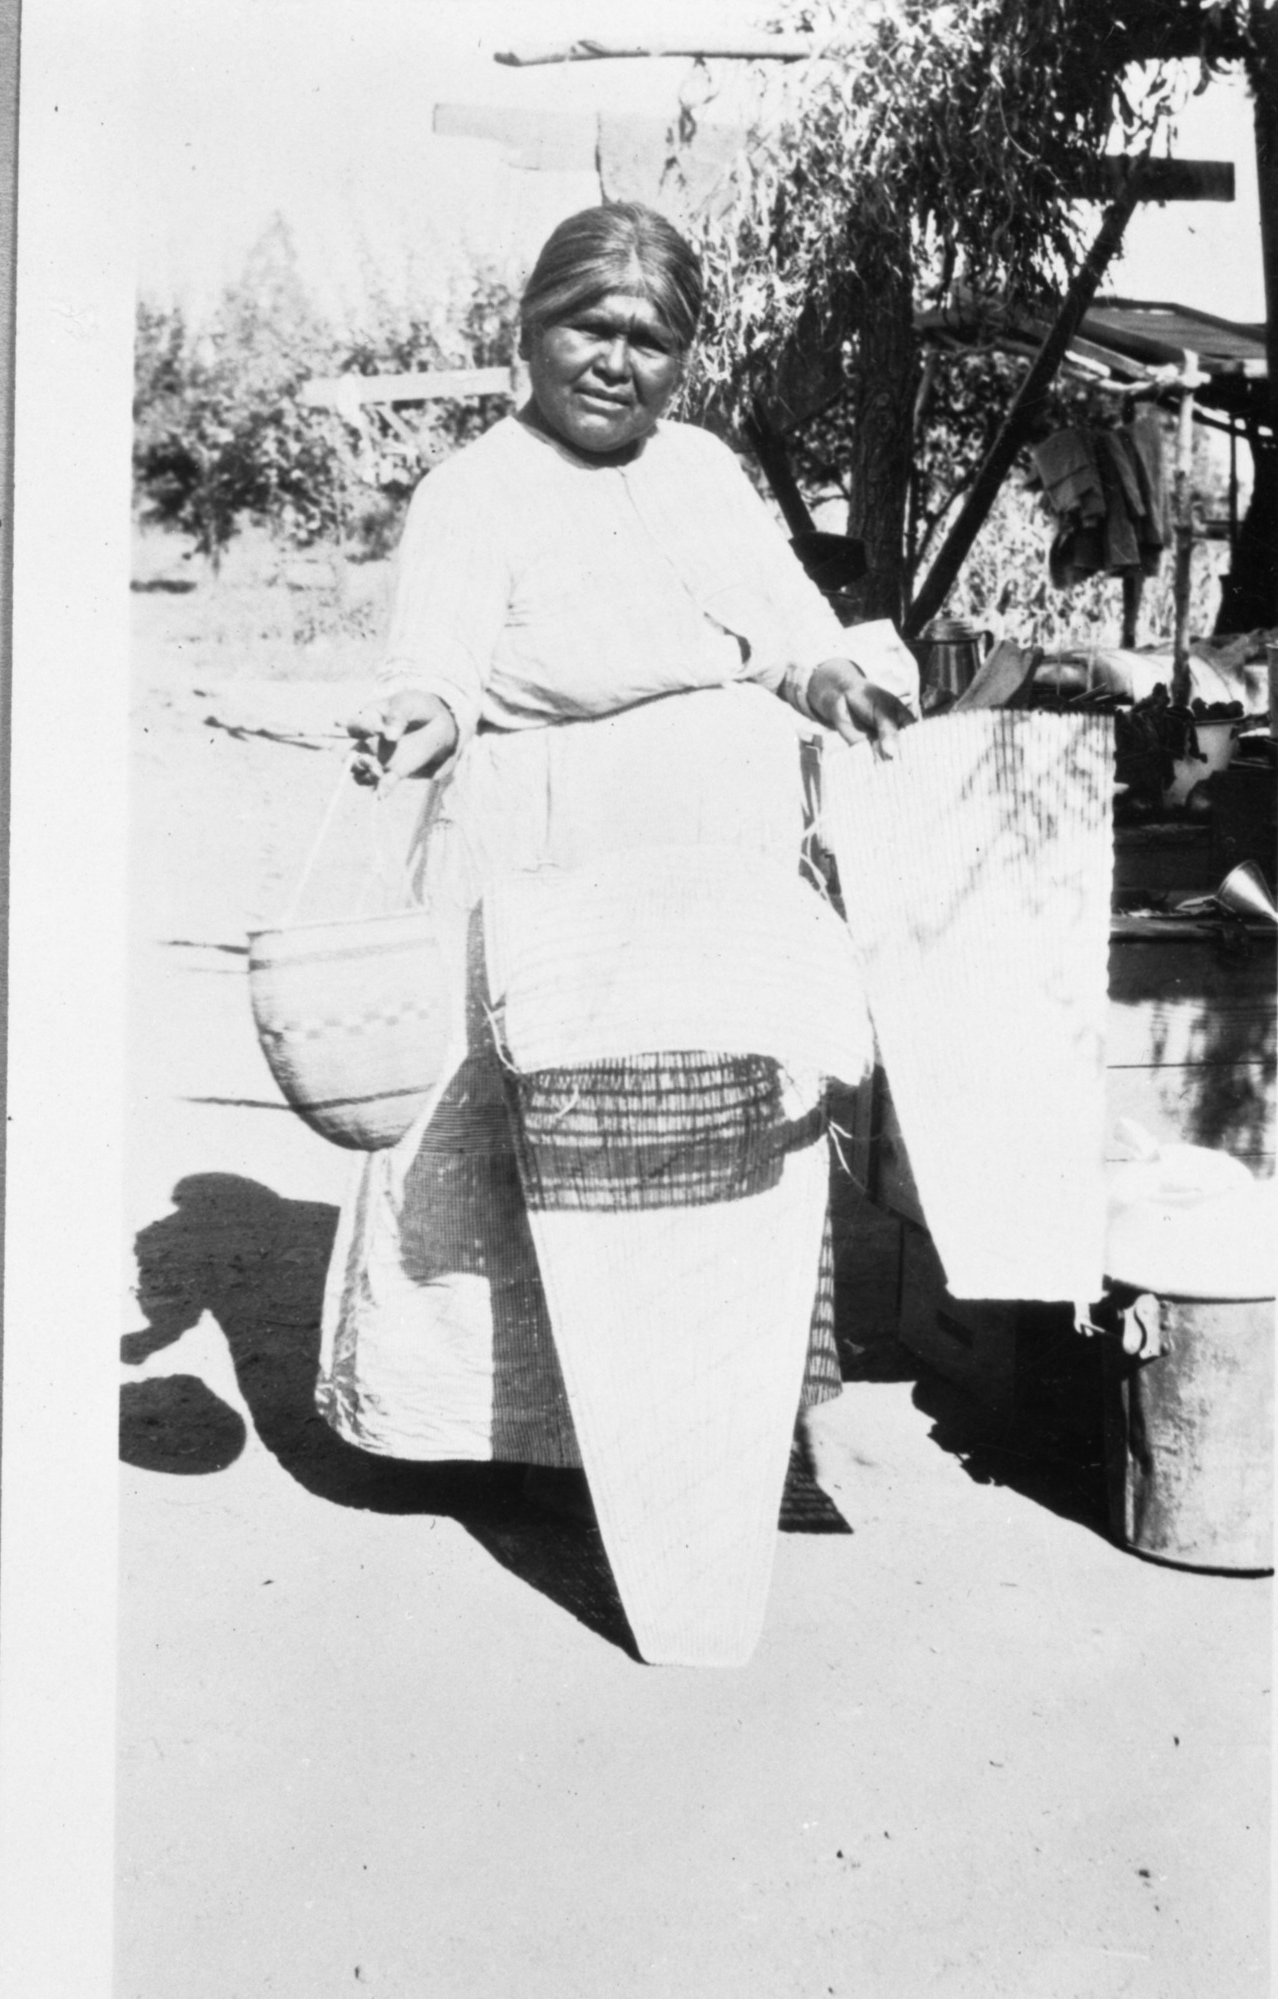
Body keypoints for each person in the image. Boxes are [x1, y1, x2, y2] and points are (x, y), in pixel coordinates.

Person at [324, 202, 909, 1658]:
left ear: (682, 364)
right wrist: (415, 715)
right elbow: (440, 666)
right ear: (527, 332)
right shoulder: (474, 490)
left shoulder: (703, 471)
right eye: (590, 327)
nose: (617, 362)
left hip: (712, 879)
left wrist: (829, 682)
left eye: (651, 341)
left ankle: (726, 1430)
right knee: (533, 1151)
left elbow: (784, 622)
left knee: (717, 1138)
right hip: (546, 862)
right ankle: (507, 1448)